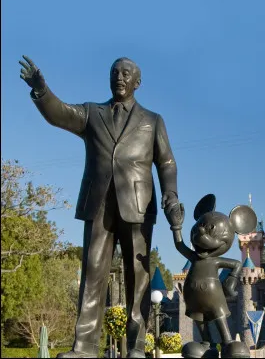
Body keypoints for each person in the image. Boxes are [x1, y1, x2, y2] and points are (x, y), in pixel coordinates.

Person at [19, 55, 183, 359]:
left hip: (138, 204)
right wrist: (41, 90)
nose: (119, 77)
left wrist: (170, 193)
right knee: (92, 274)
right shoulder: (92, 113)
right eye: (115, 72)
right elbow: (60, 114)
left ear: (137, 82)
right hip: (98, 204)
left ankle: (135, 347)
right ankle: (84, 347)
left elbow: (167, 162)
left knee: (138, 279)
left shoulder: (152, 120)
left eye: (126, 73)